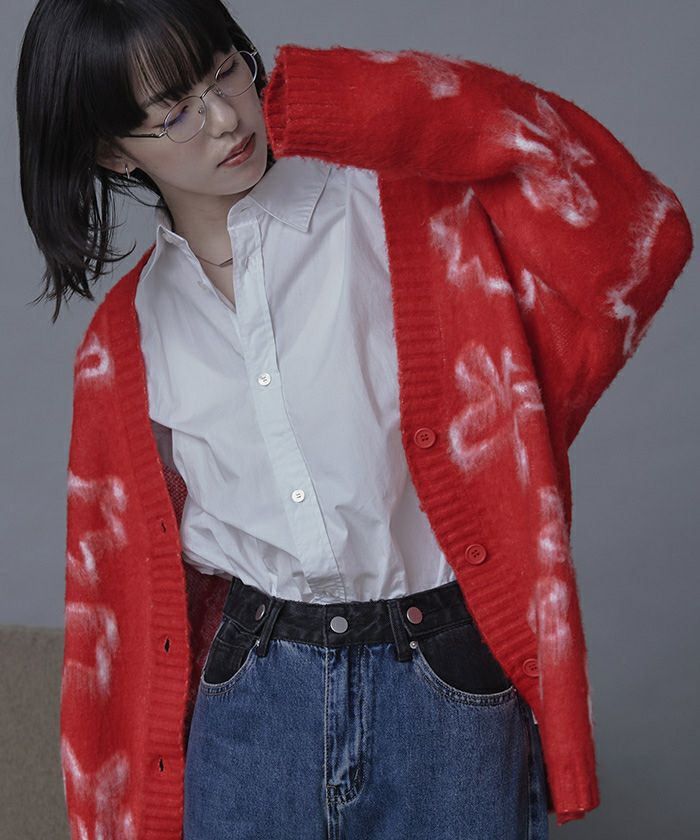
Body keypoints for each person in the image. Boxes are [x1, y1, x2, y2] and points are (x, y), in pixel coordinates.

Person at [16, 1, 693, 838]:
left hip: (447, 692)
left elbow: (641, 235)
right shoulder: (126, 342)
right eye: (175, 112)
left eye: (225, 71)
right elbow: (112, 617)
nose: (225, 118)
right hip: (253, 704)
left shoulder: (410, 219)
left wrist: (353, 98)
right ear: (113, 150)